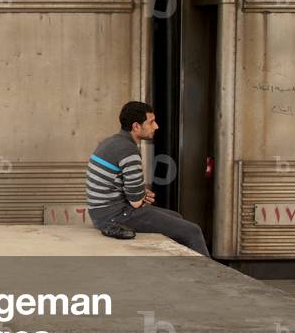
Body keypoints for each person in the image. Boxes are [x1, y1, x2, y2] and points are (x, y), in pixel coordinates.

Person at [86, 101, 210, 256]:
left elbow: (122, 186)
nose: (156, 126)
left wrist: (138, 192)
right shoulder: (128, 150)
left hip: (101, 212)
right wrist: (140, 194)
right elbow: (136, 202)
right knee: (193, 231)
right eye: (151, 122)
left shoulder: (112, 142)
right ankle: (209, 278)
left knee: (176, 217)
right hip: (115, 216)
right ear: (136, 126)